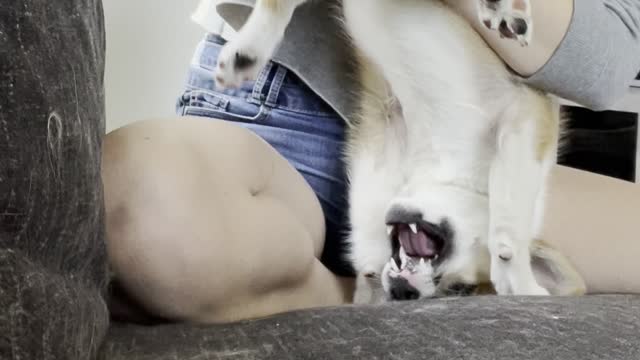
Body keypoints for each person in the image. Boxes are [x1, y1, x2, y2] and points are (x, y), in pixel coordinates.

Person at [104, 0, 640, 324]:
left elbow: (604, 63)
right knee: (154, 217)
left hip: (476, 148)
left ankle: (389, 286)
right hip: (288, 110)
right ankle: (362, 292)